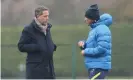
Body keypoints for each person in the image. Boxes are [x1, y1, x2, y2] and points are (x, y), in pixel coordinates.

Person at [18, 6, 57, 79]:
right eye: (45, 16)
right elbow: (21, 46)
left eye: (48, 16)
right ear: (38, 16)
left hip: (49, 71)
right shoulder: (28, 29)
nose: (47, 18)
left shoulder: (48, 28)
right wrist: (37, 47)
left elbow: (45, 43)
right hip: (35, 72)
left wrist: (52, 46)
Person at [78, 4, 113, 79]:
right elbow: (93, 45)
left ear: (92, 18)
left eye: (87, 17)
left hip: (99, 67)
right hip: (94, 67)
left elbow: (101, 49)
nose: (85, 19)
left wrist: (86, 51)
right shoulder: (94, 29)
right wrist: (83, 45)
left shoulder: (102, 29)